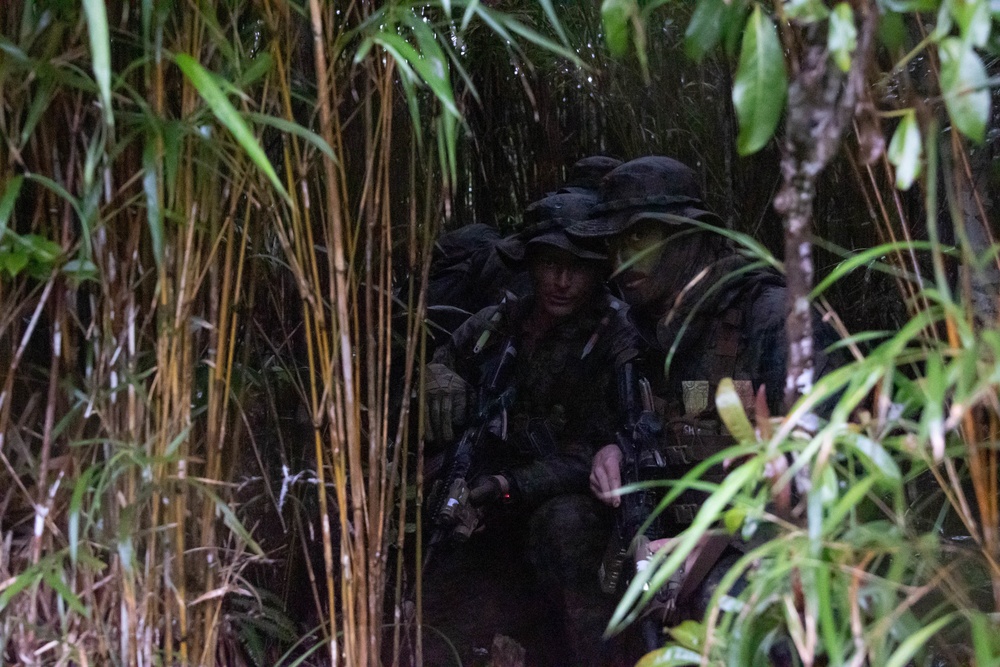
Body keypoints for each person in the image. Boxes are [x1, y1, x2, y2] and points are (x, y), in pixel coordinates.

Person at [569, 155, 844, 622]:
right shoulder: (638, 328)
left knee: (730, 597)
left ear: (687, 235)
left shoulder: (774, 319)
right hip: (660, 528)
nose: (622, 258)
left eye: (640, 236)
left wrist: (716, 539)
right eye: (614, 242)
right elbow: (610, 420)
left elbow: (831, 473)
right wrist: (609, 451)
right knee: (565, 530)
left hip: (765, 538)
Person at [420, 191, 640, 666]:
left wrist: (510, 485)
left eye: (576, 267)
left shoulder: (617, 338)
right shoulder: (503, 321)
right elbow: (446, 357)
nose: (561, 282)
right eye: (549, 264)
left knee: (565, 529)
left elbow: (613, 447)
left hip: (570, 509)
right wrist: (437, 375)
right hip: (487, 496)